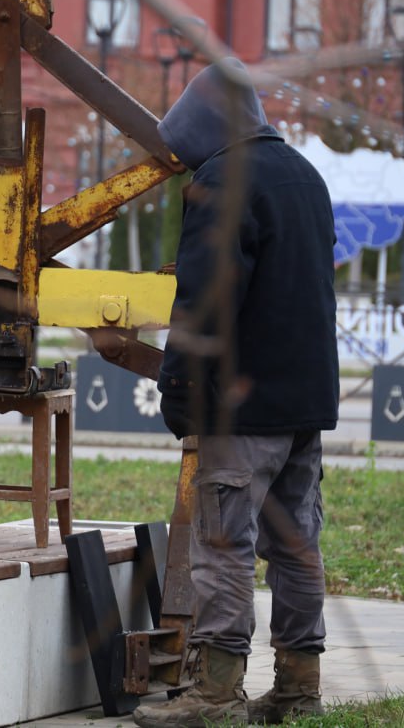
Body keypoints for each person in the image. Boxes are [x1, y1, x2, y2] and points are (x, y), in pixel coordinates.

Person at [133, 59, 339, 727]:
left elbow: (202, 302)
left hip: (243, 406)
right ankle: (299, 688)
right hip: (304, 403)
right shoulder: (305, 176)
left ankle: (216, 695)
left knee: (222, 545)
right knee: (296, 544)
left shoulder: (224, 179)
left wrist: (182, 391)